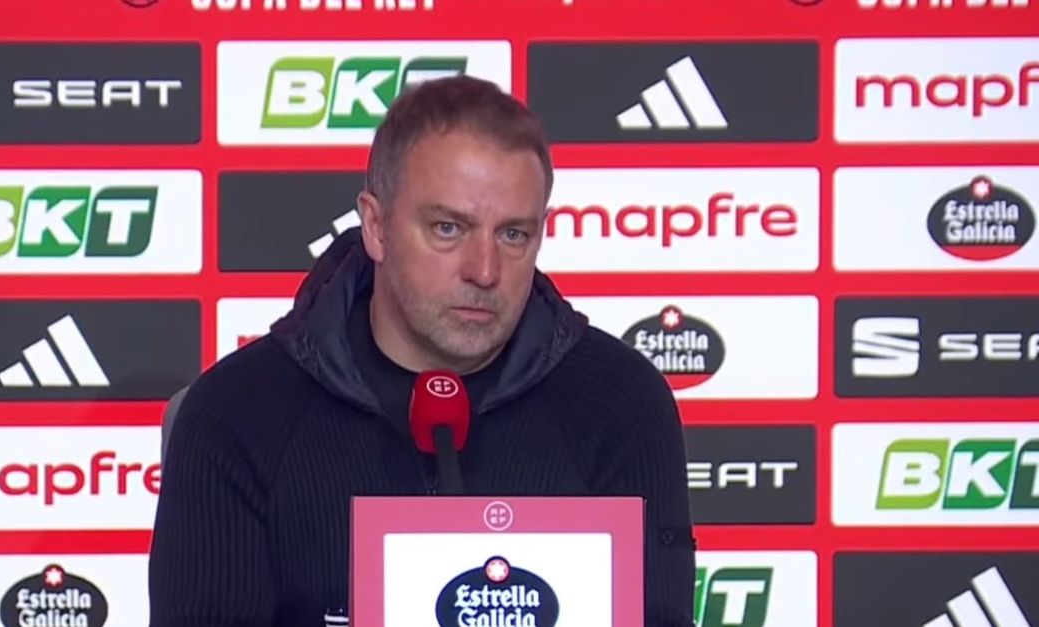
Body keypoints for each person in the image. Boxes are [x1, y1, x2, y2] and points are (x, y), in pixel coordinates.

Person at [147, 75, 696, 627]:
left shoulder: (621, 403)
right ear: (376, 226)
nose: (484, 271)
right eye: (448, 228)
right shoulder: (238, 412)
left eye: (513, 235)